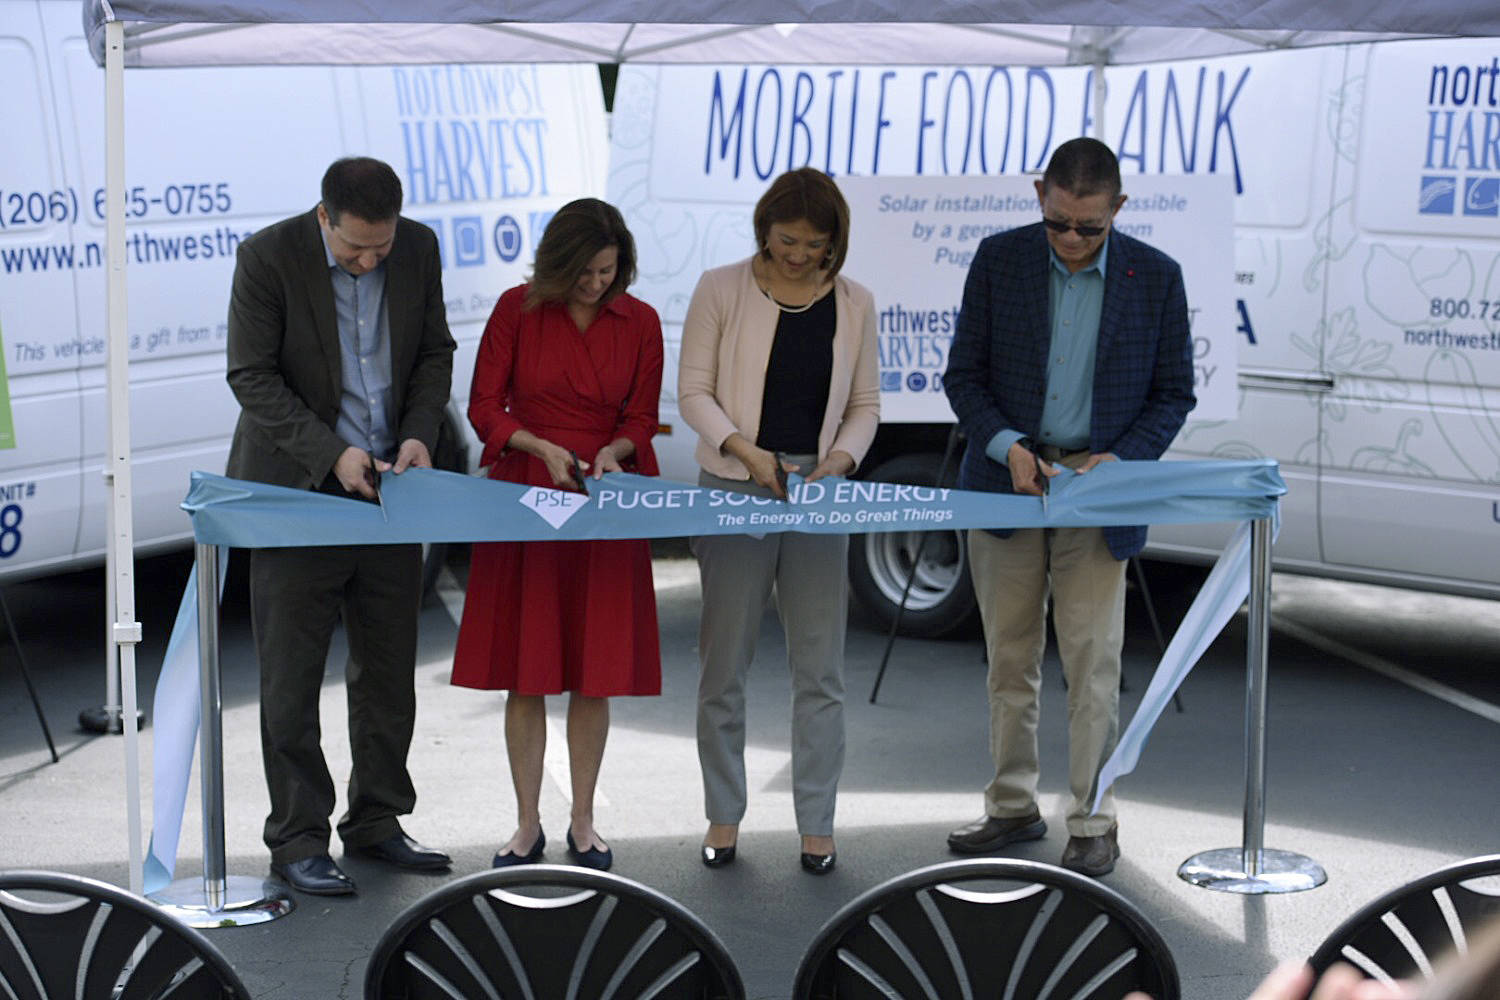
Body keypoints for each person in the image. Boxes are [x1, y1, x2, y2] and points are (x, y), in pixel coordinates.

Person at [942, 137, 1196, 877]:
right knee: (1009, 659)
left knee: (1093, 664)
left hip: (1096, 492)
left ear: (1119, 207)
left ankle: (1092, 819)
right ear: (1038, 195)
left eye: (1090, 227)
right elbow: (964, 376)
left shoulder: (1157, 277)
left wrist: (1121, 461)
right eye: (1059, 223)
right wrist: (1007, 445)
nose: (1073, 241)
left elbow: (1173, 393)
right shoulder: (999, 259)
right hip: (1008, 485)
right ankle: (1011, 807)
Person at [225, 156, 456, 896]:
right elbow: (251, 375)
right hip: (299, 492)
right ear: (324, 216)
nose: (370, 260)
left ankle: (378, 820)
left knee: (389, 671)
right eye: (356, 247)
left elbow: (433, 352)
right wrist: (333, 455)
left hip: (392, 491)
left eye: (381, 248)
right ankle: (296, 836)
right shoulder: (267, 257)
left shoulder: (417, 247)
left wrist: (420, 431)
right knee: (291, 678)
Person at [451, 198, 663, 873]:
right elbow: (483, 405)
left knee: (593, 671)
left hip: (602, 498)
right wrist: (536, 444)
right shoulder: (516, 310)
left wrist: (617, 452)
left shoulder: (643, 321)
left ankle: (584, 820)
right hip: (527, 492)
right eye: (584, 273)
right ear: (556, 266)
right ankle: (524, 824)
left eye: (607, 271)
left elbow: (642, 414)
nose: (597, 284)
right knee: (527, 669)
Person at [678, 167, 880, 875]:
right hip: (735, 484)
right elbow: (694, 392)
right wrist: (744, 450)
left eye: (815, 245)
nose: (798, 255)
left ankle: (817, 824)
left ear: (836, 244)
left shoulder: (857, 304)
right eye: (786, 240)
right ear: (763, 228)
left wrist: (841, 462)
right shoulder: (720, 287)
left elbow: (865, 404)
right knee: (723, 663)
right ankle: (723, 815)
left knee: (820, 669)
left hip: (819, 495)